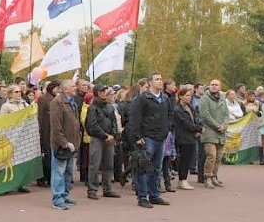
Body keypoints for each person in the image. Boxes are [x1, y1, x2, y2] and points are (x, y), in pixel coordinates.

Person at [129, 73, 172, 208]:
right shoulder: (142, 99)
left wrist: (167, 130)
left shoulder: (165, 98)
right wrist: (138, 136)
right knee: (143, 167)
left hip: (161, 138)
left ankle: (154, 195)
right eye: (157, 79)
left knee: (157, 168)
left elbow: (170, 115)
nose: (160, 81)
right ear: (150, 82)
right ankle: (142, 197)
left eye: (161, 79)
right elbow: (135, 118)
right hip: (147, 138)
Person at [49, 80, 81, 210]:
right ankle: (57, 198)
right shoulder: (57, 102)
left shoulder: (73, 102)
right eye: (73, 86)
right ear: (65, 88)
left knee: (68, 172)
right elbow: (56, 126)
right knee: (59, 172)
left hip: (72, 144)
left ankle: (65, 195)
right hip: (62, 145)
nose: (75, 88)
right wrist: (64, 142)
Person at [85, 85, 121, 200]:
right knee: (94, 164)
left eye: (105, 91)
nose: (104, 93)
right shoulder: (93, 108)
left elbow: (114, 122)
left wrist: (114, 135)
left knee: (109, 164)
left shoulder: (110, 107)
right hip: (97, 138)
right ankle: (92, 189)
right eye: (102, 91)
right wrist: (105, 135)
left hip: (109, 138)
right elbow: (91, 126)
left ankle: (107, 188)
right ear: (97, 93)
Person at [198, 80, 229, 189]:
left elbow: (226, 114)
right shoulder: (204, 99)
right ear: (209, 86)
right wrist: (217, 126)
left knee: (218, 157)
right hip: (209, 132)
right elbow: (205, 115)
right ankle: (208, 177)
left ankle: (215, 176)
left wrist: (224, 125)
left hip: (221, 133)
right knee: (211, 156)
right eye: (212, 84)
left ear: (220, 87)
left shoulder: (222, 99)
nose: (214, 86)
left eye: (216, 85)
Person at [174, 88, 203, 190]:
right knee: (184, 160)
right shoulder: (177, 109)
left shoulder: (190, 107)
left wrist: (197, 130)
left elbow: (195, 119)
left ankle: (183, 180)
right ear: (180, 96)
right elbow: (185, 123)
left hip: (191, 136)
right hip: (183, 137)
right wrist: (199, 129)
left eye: (190, 96)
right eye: (186, 95)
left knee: (188, 159)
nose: (188, 98)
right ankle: (182, 180)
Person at [36, 80, 59, 187]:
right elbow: (40, 116)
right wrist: (40, 131)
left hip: (53, 130)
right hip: (46, 130)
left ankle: (51, 178)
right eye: (56, 88)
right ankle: (44, 178)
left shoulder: (56, 99)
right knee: (46, 155)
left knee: (52, 155)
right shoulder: (43, 99)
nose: (58, 90)